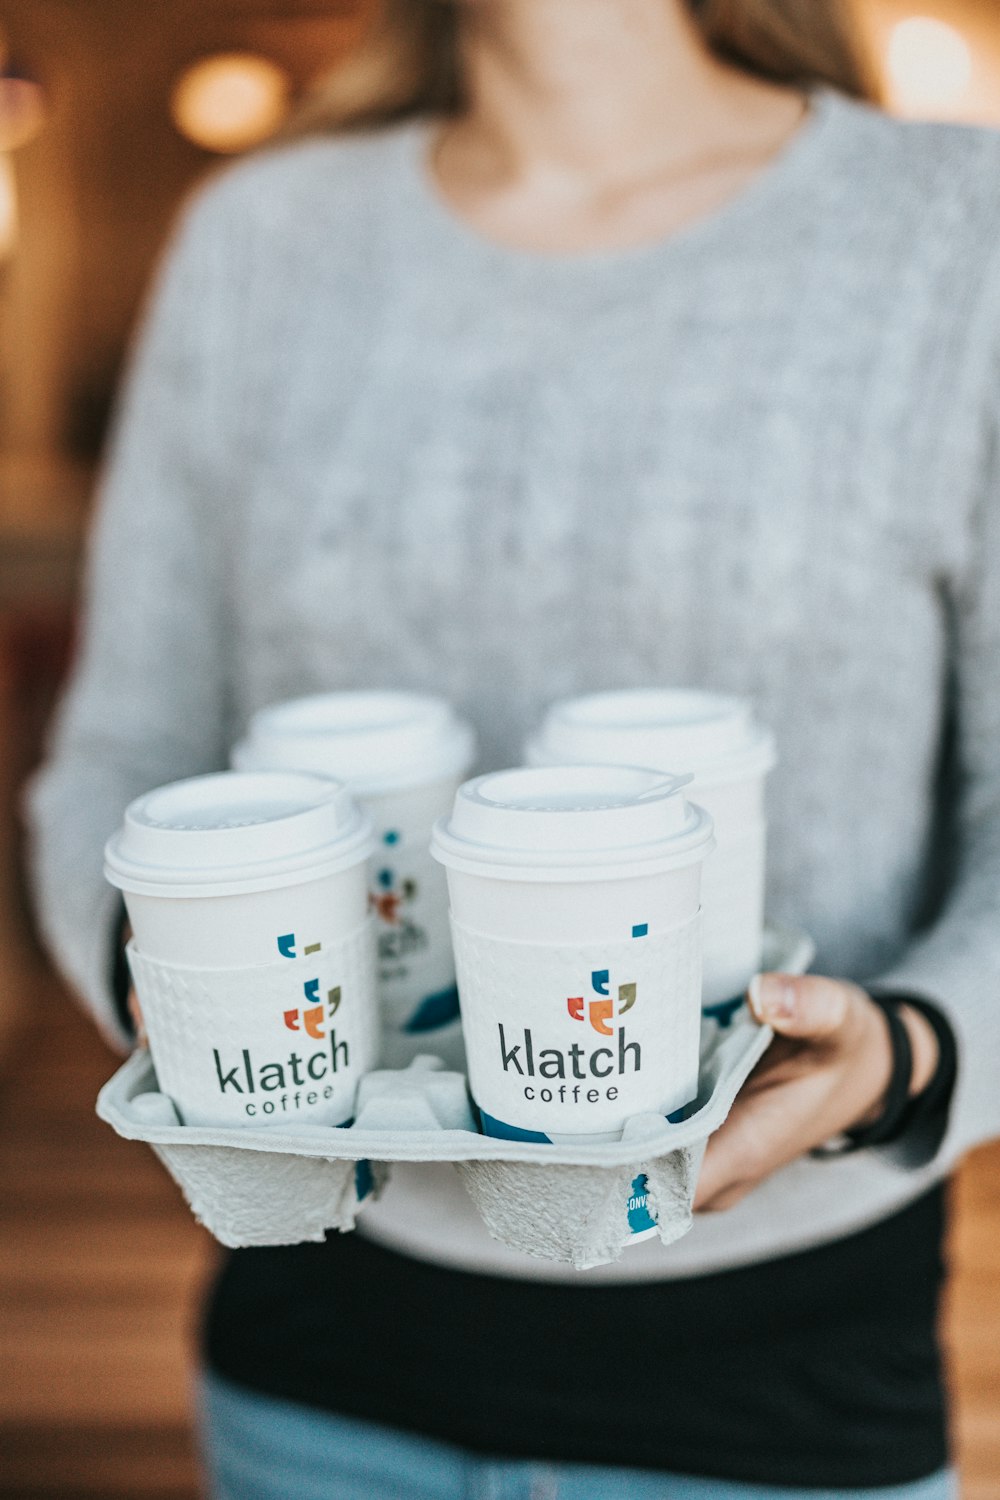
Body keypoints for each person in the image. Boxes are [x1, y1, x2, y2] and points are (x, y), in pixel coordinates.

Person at [26, 0, 1000, 1494]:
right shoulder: (261, 245)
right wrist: (177, 990)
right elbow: (120, 752)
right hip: (320, 1372)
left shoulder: (957, 231)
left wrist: (913, 1049)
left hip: (786, 1395)